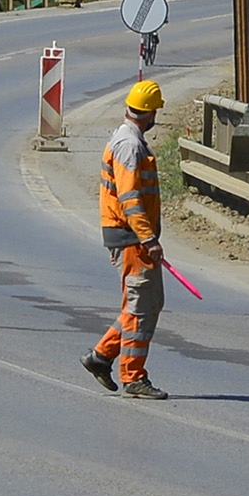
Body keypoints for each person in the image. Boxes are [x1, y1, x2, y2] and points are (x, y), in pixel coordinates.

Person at [83, 79, 169, 400]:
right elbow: (130, 199)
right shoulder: (129, 146)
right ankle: (132, 377)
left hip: (131, 238)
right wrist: (148, 239)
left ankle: (101, 357)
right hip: (133, 238)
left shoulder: (129, 139)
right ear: (148, 114)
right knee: (140, 308)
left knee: (147, 303)